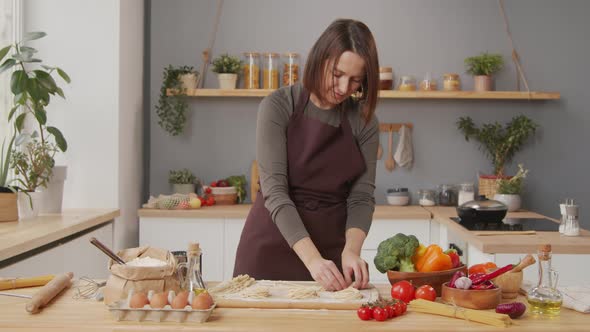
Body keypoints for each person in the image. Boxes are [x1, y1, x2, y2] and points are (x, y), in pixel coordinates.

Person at [233, 19, 379, 291]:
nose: (344, 87)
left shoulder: (365, 122)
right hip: (270, 248)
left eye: (355, 80)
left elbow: (361, 197)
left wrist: (351, 251)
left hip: (332, 257)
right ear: (320, 58)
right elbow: (275, 192)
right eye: (337, 74)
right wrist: (313, 261)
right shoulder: (278, 105)